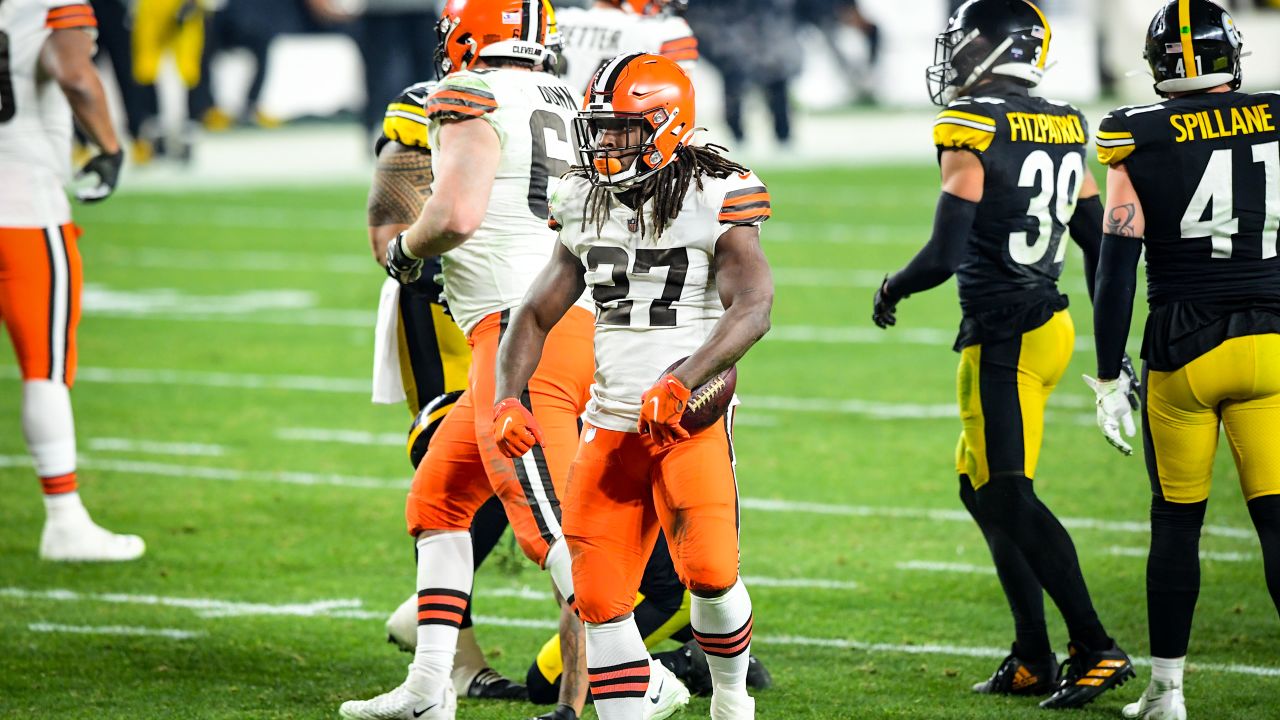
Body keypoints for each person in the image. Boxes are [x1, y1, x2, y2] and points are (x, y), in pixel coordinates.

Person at [337, 2, 689, 718]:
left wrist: (405, 254)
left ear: (469, 34)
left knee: (553, 530)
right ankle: (429, 688)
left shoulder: (466, 93)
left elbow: (454, 215)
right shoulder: (568, 95)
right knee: (439, 502)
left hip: (519, 337)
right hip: (570, 319)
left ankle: (644, 682)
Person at [493, 52, 774, 720]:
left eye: (621, 130)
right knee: (598, 597)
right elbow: (533, 313)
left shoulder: (717, 190)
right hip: (611, 421)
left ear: (667, 124)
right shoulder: (585, 198)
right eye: (599, 130)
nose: (605, 146)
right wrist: (509, 396)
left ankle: (732, 700)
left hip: (688, 421)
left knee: (708, 572)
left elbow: (753, 308)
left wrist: (681, 379)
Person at [871, 0, 1135, 709]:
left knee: (1007, 494)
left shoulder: (971, 124)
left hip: (1004, 335)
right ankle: (1031, 655)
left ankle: (1093, 645)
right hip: (1051, 328)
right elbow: (1094, 239)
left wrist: (894, 286)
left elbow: (945, 253)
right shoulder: (1063, 120)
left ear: (994, 45)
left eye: (966, 41)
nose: (955, 54)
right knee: (980, 486)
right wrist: (1112, 345)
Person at [1088, 2, 1280, 718]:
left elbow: (1116, 264)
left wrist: (1109, 374)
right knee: (1277, 519)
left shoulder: (1136, 132)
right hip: (1273, 342)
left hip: (1186, 349)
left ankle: (1167, 693)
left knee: (1176, 522)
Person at [366, 80, 527, 703]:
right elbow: (387, 233)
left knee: (524, 456)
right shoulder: (432, 101)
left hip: (530, 305)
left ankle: (427, 619)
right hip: (447, 308)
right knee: (455, 465)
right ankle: (454, 657)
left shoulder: (555, 94)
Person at [0, 0, 142, 561]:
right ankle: (64, 518)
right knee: (45, 368)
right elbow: (73, 73)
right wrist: (109, 146)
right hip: (23, 207)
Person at [555, 0, 696, 94]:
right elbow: (681, 108)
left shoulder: (556, 19)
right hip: (610, 133)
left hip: (554, 130)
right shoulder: (666, 30)